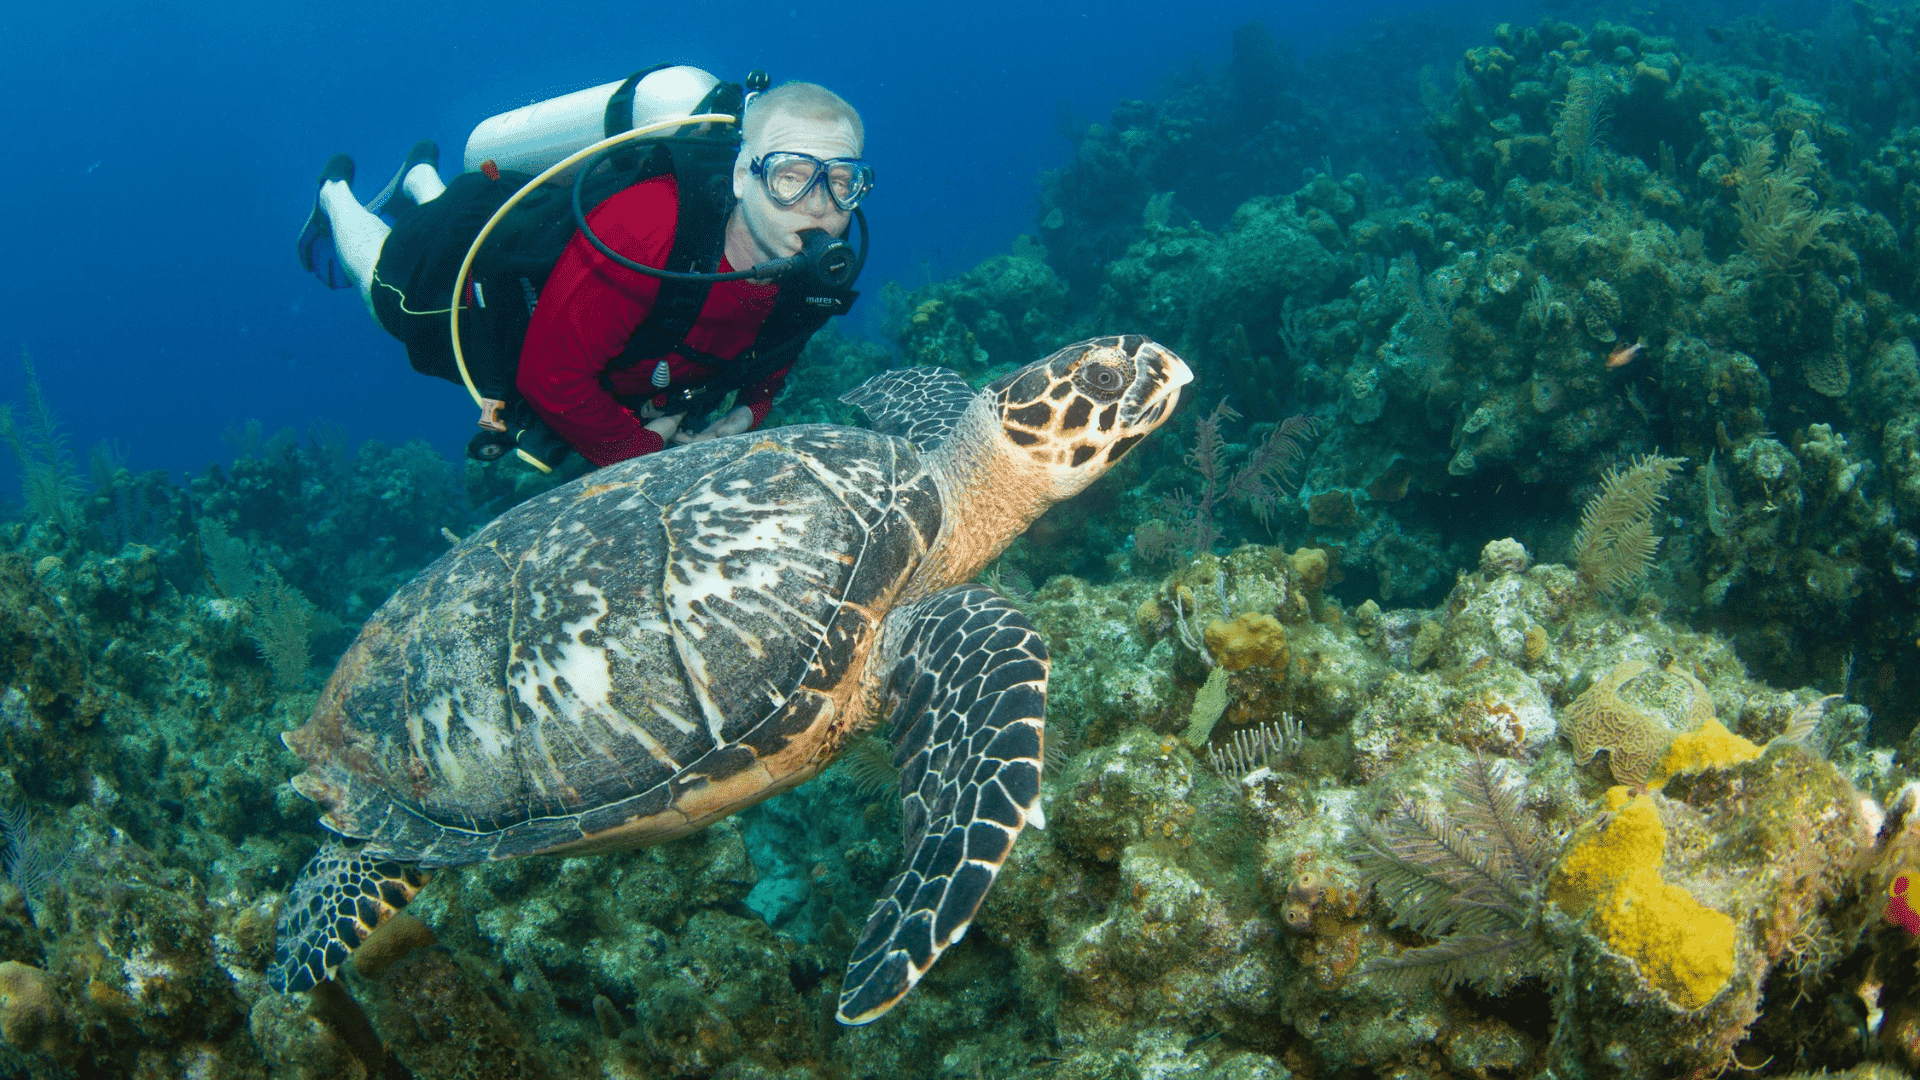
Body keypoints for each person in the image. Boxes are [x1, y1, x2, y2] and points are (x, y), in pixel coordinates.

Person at [297, 70, 872, 470]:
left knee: (446, 212)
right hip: (491, 297)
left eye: (842, 181)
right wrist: (642, 448)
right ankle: (335, 193)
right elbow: (550, 379)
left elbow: (779, 347)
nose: (820, 203)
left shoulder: (818, 263)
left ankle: (423, 178)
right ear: (743, 176)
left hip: (621, 363)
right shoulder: (645, 230)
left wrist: (750, 410)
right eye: (792, 175)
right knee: (388, 294)